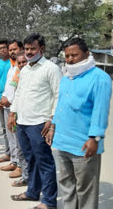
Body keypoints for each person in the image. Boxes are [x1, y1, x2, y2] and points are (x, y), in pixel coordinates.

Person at [46, 38, 112, 209]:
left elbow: (100, 112)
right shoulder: (67, 77)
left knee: (85, 191)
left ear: (87, 54)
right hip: (62, 142)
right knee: (67, 186)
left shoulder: (100, 79)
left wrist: (94, 139)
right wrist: (53, 126)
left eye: (74, 55)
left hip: (84, 145)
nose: (69, 59)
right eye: (67, 56)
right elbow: (60, 105)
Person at [8, 33, 62, 209]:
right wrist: (12, 114)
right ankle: (32, 192)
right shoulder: (24, 70)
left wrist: (51, 120)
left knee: (44, 162)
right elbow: (19, 93)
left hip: (39, 123)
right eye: (27, 49)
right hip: (22, 122)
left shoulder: (51, 69)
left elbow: (58, 96)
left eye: (33, 48)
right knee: (30, 160)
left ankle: (48, 201)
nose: (29, 52)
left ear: (42, 49)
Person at [0, 40, 24, 177]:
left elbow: (19, 90)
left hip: (15, 108)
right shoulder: (12, 67)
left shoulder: (22, 67)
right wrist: (3, 98)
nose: (12, 52)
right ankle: (14, 162)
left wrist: (10, 101)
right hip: (7, 106)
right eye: (11, 50)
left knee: (18, 139)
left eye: (15, 49)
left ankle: (20, 165)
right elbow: (9, 87)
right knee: (11, 137)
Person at [7, 50, 29, 187]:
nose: (21, 65)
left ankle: (28, 176)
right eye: (19, 63)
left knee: (29, 150)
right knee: (21, 147)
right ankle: (24, 175)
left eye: (24, 62)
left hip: (32, 119)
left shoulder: (32, 75)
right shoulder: (17, 75)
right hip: (18, 116)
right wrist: (12, 113)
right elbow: (15, 94)